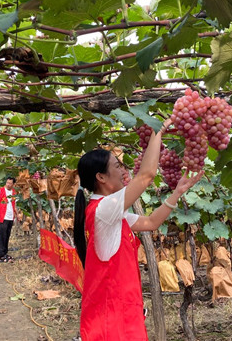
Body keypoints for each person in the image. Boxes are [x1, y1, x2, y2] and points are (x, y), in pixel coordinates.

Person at [74, 119, 203, 340]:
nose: (124, 170)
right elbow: (146, 175)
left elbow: (151, 222)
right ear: (101, 177)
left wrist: (178, 192)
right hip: (112, 321)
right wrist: (158, 130)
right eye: (117, 166)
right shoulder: (104, 209)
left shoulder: (110, 212)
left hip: (119, 313)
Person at [0, 177, 18, 263]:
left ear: (13, 184)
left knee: (7, 235)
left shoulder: (13, 192)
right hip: (2, 216)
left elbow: (14, 205)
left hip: (10, 216)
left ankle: (5, 253)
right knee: (2, 235)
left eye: (10, 183)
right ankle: (1, 255)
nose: (8, 184)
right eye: (7, 182)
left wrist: (17, 215)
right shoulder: (0, 191)